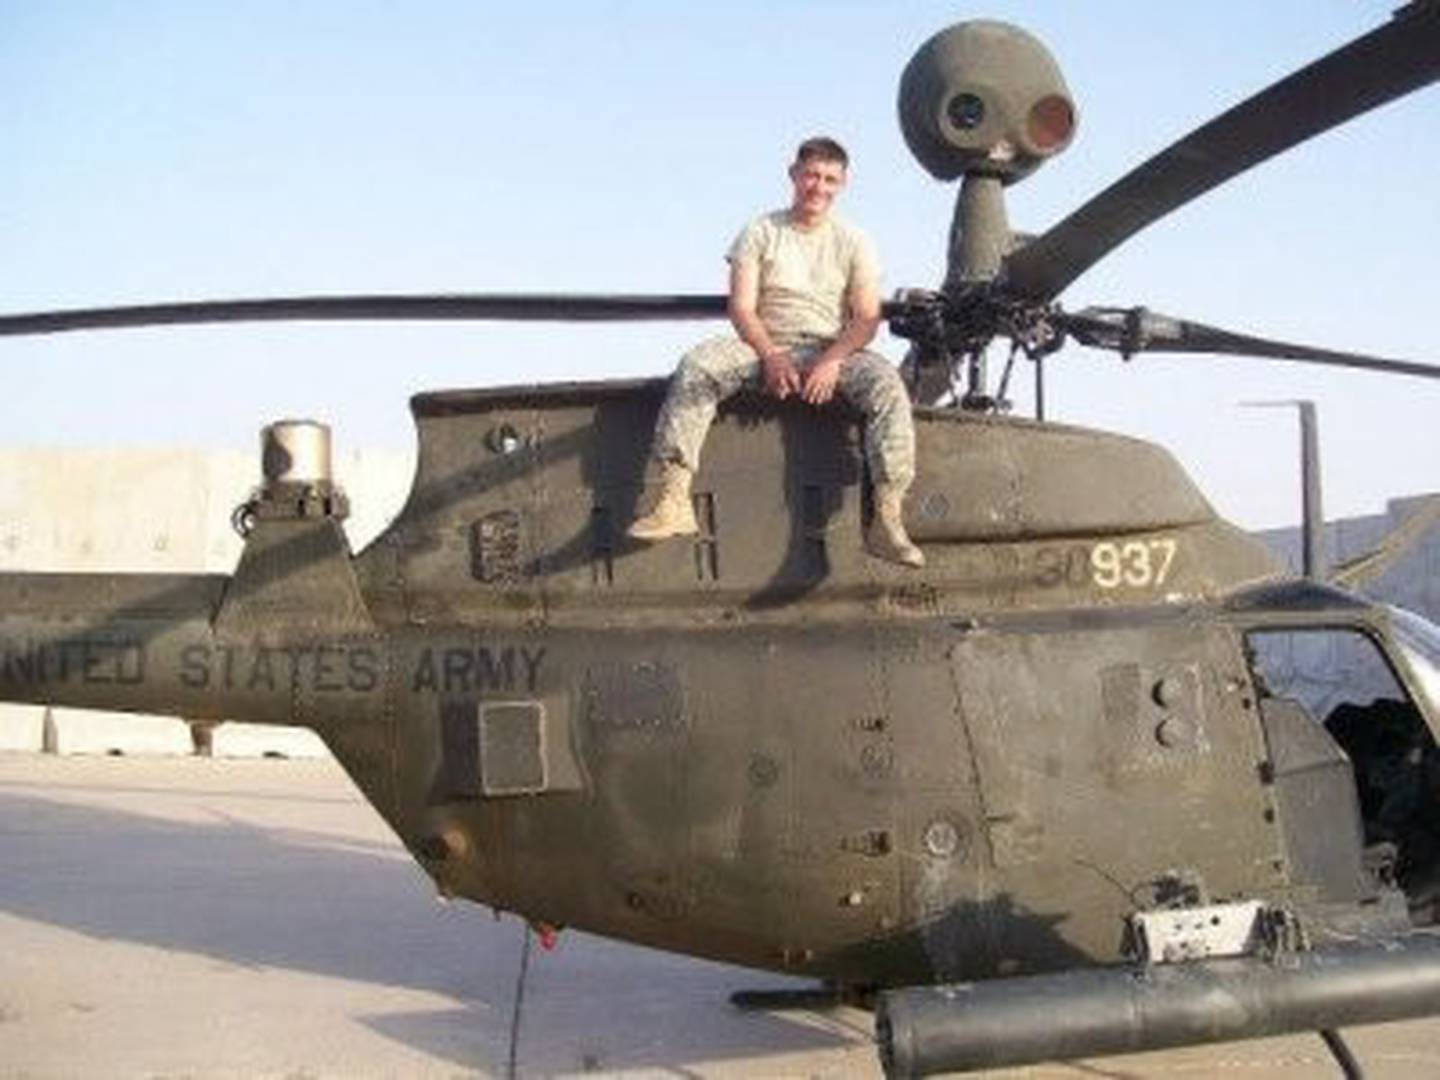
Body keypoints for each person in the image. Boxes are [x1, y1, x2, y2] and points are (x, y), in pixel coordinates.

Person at [627, 136, 922, 568]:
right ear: (794, 175)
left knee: (887, 387)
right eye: (811, 175)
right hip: (763, 343)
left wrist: (832, 360)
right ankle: (674, 497)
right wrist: (770, 354)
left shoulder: (855, 240)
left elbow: (865, 319)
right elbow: (742, 307)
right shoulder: (761, 231)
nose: (818, 187)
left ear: (842, 184)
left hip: (829, 348)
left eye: (829, 179)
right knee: (698, 367)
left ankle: (888, 517)